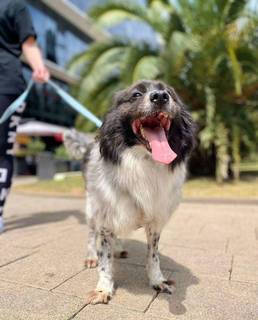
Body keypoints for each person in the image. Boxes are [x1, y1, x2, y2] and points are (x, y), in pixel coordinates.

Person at [0, 0, 49, 233]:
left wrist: (39, 67)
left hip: (6, 85)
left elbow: (28, 43)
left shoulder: (15, 6)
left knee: (1, 149)